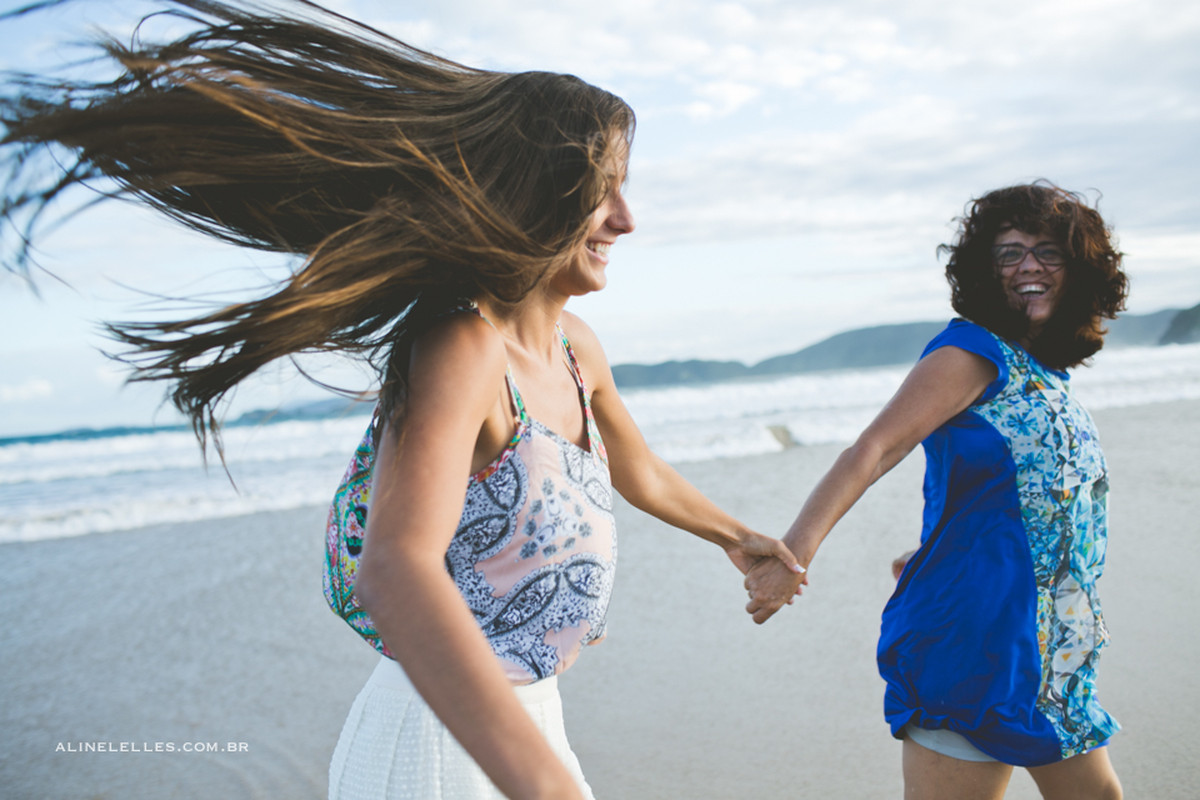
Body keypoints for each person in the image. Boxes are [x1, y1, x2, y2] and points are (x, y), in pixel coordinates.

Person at [0, 2, 802, 799]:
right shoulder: (462, 345)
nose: (627, 220)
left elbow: (638, 467)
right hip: (440, 742)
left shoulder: (575, 348)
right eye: (602, 193)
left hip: (531, 719)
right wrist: (544, 787)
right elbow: (394, 565)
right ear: (537, 194)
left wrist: (740, 537)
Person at [745, 182, 1128, 799]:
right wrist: (795, 551)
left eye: (1047, 251)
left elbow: (1022, 496)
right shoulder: (969, 353)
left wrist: (941, 545)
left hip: (1053, 647)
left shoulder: (1044, 373)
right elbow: (873, 450)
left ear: (1079, 267)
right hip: (976, 643)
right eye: (1009, 252)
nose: (1029, 264)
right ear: (986, 270)